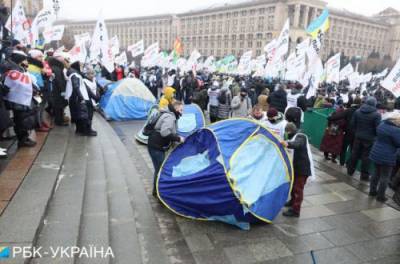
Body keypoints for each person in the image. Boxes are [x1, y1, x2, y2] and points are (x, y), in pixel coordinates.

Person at [147, 101, 184, 197]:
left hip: (154, 145)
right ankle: (159, 193)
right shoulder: (170, 117)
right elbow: (165, 132)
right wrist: (178, 139)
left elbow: (170, 132)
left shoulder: (169, 114)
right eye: (181, 109)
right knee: (160, 170)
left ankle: (157, 191)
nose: (182, 112)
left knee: (158, 169)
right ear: (176, 109)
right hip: (156, 147)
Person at [2, 50, 37, 147]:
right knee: (21, 120)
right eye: (25, 60)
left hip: (21, 99)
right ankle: (22, 139)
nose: (27, 62)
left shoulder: (19, 69)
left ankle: (24, 137)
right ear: (19, 60)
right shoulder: (13, 71)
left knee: (22, 119)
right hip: (17, 100)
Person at [281, 123, 313, 217]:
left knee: (298, 189)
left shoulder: (300, 136)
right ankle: (292, 201)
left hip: (302, 169)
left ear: (290, 131)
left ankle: (296, 210)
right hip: (296, 167)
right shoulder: (294, 136)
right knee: (293, 186)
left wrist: (287, 143)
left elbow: (297, 144)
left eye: (287, 132)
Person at [347, 97, 381, 181]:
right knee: (366, 157)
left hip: (358, 136)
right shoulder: (377, 114)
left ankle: (350, 171)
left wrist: (357, 133)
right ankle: (364, 175)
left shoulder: (357, 111)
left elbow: (352, 124)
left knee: (354, 154)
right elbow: (378, 129)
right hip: (369, 139)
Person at [369, 113, 400, 202]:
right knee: (385, 176)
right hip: (388, 155)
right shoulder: (395, 130)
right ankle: (380, 196)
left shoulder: (382, 124)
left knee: (376, 173)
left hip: (376, 151)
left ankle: (372, 191)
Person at [66, 61, 97, 136]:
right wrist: (81, 97)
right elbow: (76, 87)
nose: (82, 67)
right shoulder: (75, 75)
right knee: (84, 115)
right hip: (78, 98)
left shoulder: (76, 74)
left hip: (77, 97)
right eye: (81, 65)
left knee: (80, 115)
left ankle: (81, 130)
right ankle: (85, 130)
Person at [47, 52, 69, 126]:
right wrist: (63, 92)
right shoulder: (57, 69)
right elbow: (59, 81)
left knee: (58, 106)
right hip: (58, 91)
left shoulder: (54, 67)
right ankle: (59, 121)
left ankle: (59, 120)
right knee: (59, 106)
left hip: (55, 90)